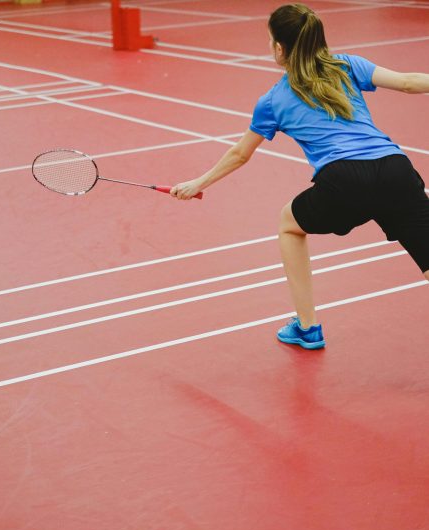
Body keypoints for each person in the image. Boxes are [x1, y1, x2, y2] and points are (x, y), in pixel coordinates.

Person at [170, 3, 429, 350]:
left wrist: (197, 184)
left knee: (290, 224)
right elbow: (410, 83)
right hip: (395, 168)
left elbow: (240, 154)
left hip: (344, 179)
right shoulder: (348, 65)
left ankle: (307, 327)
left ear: (279, 49)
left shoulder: (273, 99)